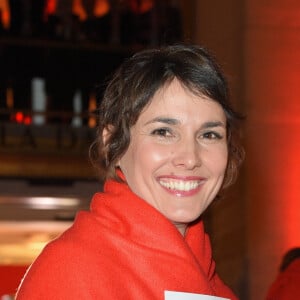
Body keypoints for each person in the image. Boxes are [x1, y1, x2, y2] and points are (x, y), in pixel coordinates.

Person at [16, 44, 244, 299]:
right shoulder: (72, 271)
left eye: (209, 134)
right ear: (114, 144)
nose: (190, 158)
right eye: (163, 132)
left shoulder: (215, 287)